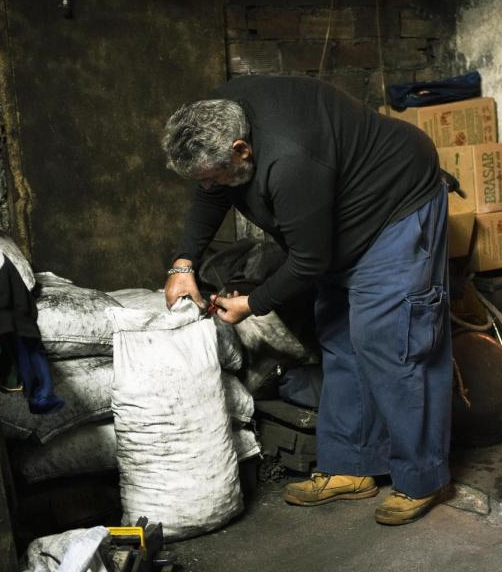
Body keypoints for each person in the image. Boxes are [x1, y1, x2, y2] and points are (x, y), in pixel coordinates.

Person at [161, 75, 453, 526]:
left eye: (217, 174)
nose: (213, 184)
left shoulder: (290, 159)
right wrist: (183, 264)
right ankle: (353, 465)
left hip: (396, 203)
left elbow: (309, 261)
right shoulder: (218, 115)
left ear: (241, 149)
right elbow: (211, 193)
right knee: (339, 334)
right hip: (342, 214)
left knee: (392, 340)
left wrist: (252, 303)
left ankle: (422, 477)